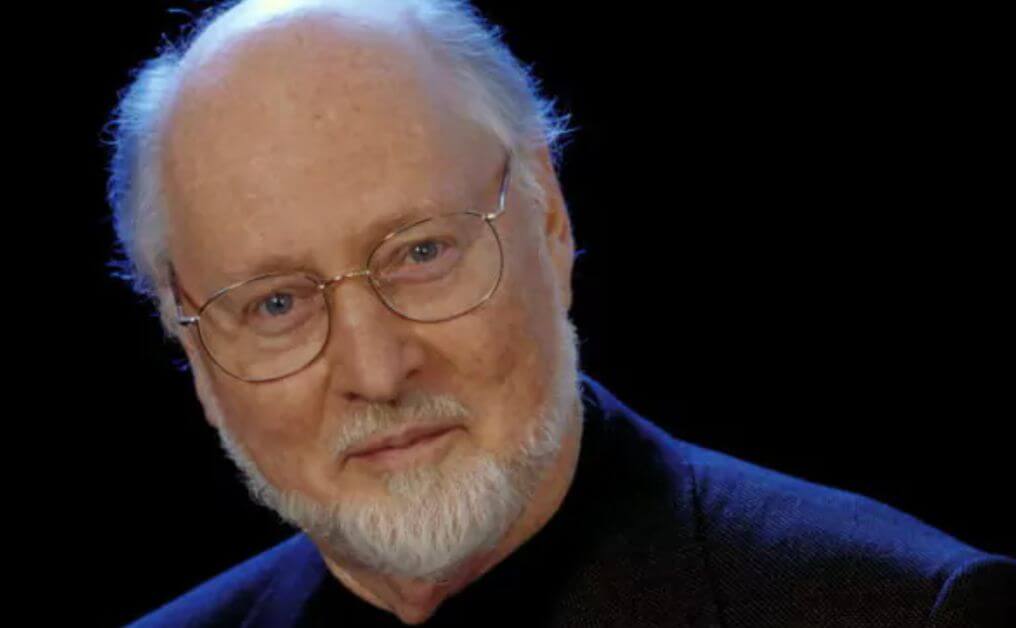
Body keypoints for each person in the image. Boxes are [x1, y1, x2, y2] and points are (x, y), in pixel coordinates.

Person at [105, 1, 1015, 625]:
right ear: (187, 340)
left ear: (549, 219)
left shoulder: (903, 608)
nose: (377, 372)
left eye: (422, 253)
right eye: (275, 304)